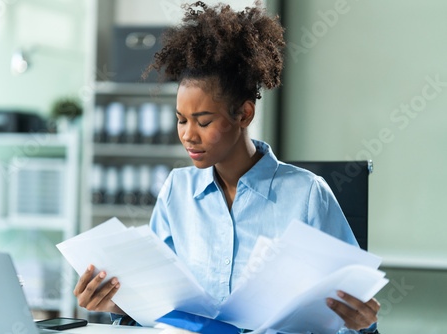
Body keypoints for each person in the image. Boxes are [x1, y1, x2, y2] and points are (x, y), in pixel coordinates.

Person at [74, 1, 380, 333]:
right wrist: (121, 303)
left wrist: (364, 325)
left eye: (203, 121)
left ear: (244, 114)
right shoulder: (177, 190)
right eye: (180, 120)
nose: (188, 135)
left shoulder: (306, 194)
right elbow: (157, 302)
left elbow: (349, 311)